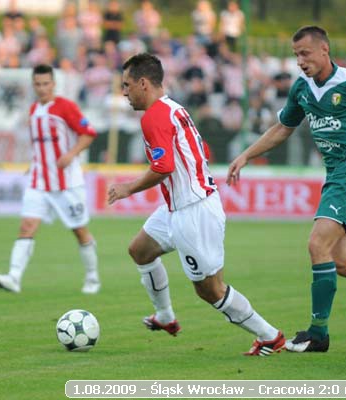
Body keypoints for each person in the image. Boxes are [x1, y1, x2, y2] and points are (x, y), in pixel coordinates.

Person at [227, 26, 346, 353]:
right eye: (296, 55)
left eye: (305, 54)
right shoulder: (302, 88)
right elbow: (284, 127)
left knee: (317, 243)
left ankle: (318, 334)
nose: (300, 61)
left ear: (325, 50)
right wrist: (246, 155)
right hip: (337, 175)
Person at [108, 53, 285, 356]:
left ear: (143, 83)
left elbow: (162, 168)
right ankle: (165, 317)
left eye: (126, 85)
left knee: (210, 290)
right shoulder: (172, 107)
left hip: (194, 212)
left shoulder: (154, 117)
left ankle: (269, 335)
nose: (124, 92)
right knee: (140, 250)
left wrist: (128, 188)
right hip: (179, 206)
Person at [0, 64, 100, 294]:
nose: (42, 88)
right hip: (39, 181)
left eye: (46, 83)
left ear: (53, 84)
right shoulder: (33, 110)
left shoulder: (65, 107)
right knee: (27, 226)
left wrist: (70, 154)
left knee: (79, 231)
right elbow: (41, 145)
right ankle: (14, 277)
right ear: (33, 85)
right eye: (37, 84)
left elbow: (88, 133)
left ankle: (92, 278)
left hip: (66, 183)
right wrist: (34, 164)